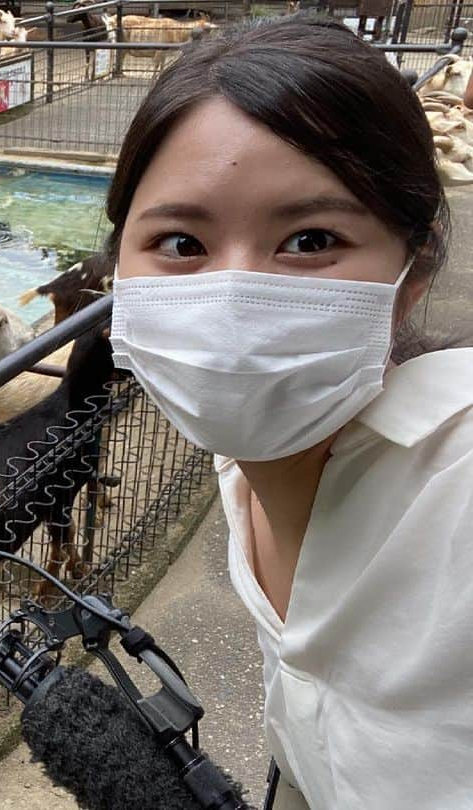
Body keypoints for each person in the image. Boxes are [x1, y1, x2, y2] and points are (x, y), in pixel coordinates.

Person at [105, 14, 472, 809]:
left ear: (415, 268)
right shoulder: (242, 476)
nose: (234, 304)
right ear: (118, 271)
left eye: (310, 240)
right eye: (179, 243)